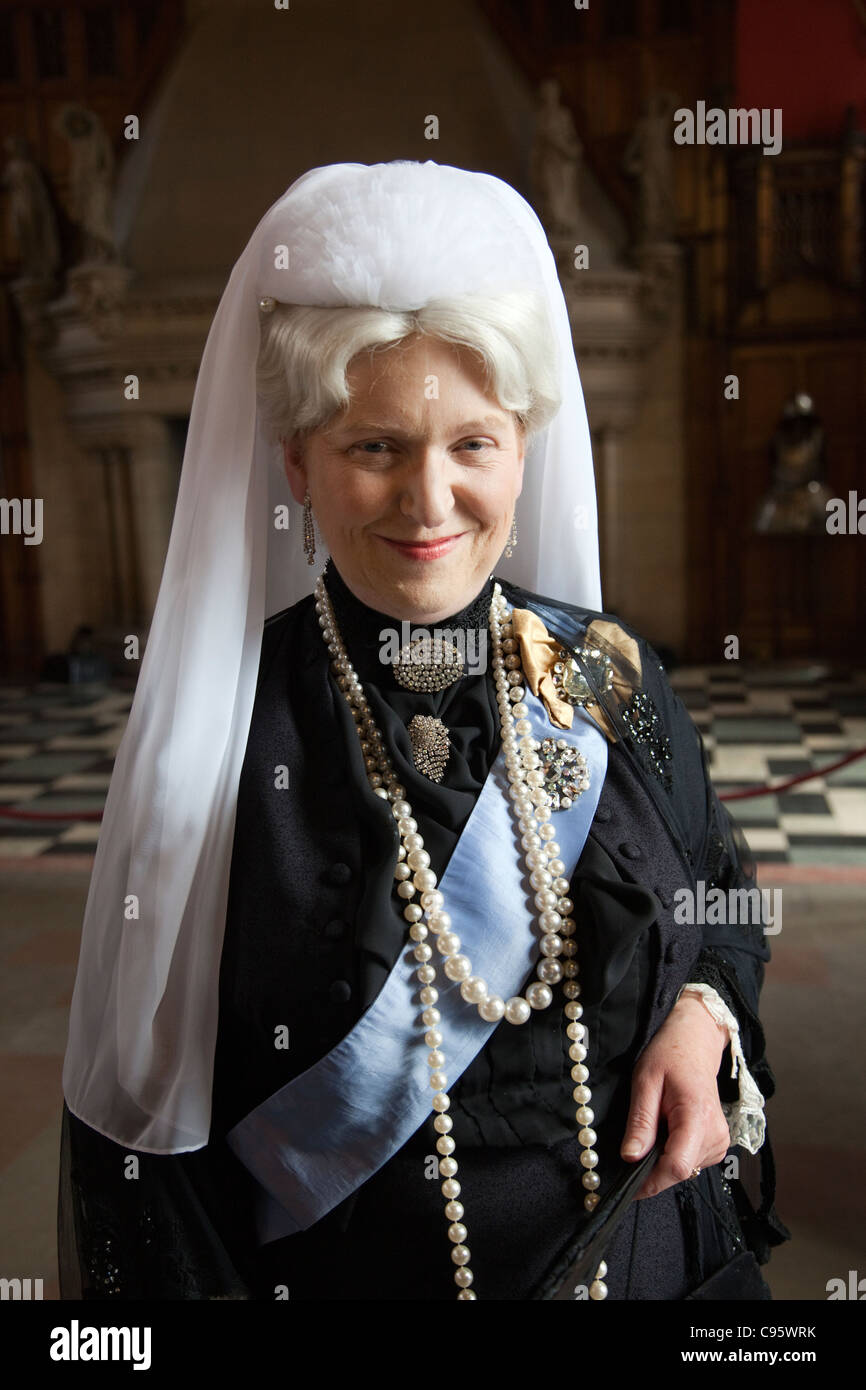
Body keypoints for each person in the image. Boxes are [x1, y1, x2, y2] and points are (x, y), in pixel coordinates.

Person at [57, 160, 788, 1301]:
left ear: (524, 447)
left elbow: (721, 899)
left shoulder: (606, 675)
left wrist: (701, 1017)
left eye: (470, 445)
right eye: (375, 447)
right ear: (297, 464)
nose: (429, 501)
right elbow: (147, 1160)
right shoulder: (227, 733)